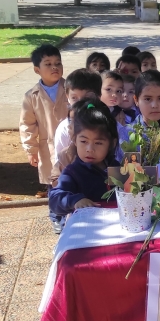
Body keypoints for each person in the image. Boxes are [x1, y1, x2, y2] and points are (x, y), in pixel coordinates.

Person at [49, 99, 120, 218]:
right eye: (84, 141)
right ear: (75, 140)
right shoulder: (72, 172)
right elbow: (55, 198)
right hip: (86, 228)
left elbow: (129, 194)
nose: (89, 149)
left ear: (112, 144)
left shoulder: (116, 167)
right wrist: (75, 200)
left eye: (98, 143)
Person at [50, 68, 103, 231]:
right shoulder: (64, 129)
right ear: (67, 97)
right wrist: (72, 198)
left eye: (87, 98)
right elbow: (61, 163)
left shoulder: (106, 123)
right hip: (76, 201)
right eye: (74, 98)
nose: (80, 103)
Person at [20, 44, 68, 215]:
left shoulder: (70, 88)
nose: (54, 67)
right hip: (47, 147)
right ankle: (55, 214)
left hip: (71, 143)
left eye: (58, 63)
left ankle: (70, 211)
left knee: (71, 177)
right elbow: (28, 124)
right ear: (37, 70)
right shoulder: (31, 96)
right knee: (52, 181)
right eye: (48, 64)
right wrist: (31, 150)